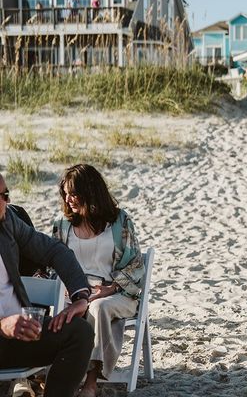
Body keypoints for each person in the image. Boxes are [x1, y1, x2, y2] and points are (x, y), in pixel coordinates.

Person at [52, 164, 144, 397]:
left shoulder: (119, 222)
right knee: (54, 306)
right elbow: (51, 263)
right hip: (74, 291)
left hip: (116, 293)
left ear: (90, 191)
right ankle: (52, 376)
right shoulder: (63, 225)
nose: (69, 198)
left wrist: (109, 288)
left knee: (98, 307)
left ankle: (90, 383)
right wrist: (65, 289)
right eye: (65, 193)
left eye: (74, 193)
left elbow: (136, 265)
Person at [0, 173, 94, 397]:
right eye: (3, 196)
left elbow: (54, 250)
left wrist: (80, 296)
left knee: (80, 333)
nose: (8, 201)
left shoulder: (7, 221)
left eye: (7, 193)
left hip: (22, 333)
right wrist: (3, 324)